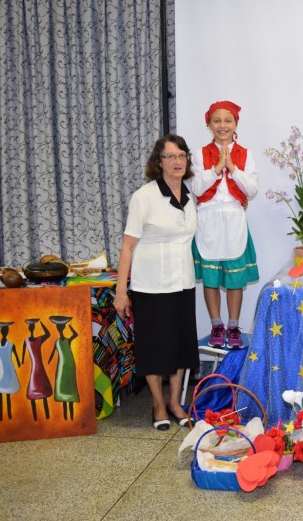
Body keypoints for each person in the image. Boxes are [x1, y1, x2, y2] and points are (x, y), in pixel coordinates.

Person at [114, 134, 200, 431]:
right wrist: (120, 292)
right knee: (154, 348)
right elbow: (127, 246)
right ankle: (157, 404)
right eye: (170, 156)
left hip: (183, 284)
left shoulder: (190, 197)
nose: (177, 161)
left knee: (179, 347)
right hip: (150, 286)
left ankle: (176, 402)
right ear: (159, 162)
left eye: (181, 156)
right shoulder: (145, 197)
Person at [189, 101, 259, 348]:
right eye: (216, 120)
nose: (222, 125)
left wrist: (233, 168)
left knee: (235, 279)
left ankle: (233, 325)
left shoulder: (246, 154)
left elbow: (251, 189)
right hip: (208, 219)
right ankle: (216, 324)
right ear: (209, 124)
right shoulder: (199, 154)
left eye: (227, 120)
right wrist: (217, 168)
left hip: (234, 220)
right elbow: (196, 187)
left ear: (235, 124)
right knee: (210, 277)